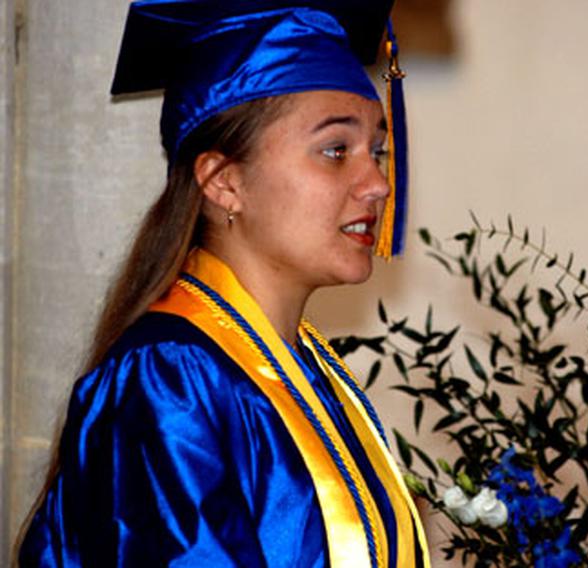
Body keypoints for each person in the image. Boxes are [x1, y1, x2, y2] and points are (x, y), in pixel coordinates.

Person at [17, 1, 427, 566]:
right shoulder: (171, 382)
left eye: (375, 151)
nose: (377, 183)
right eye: (336, 151)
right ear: (222, 182)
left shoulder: (309, 369)